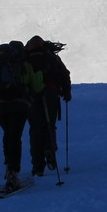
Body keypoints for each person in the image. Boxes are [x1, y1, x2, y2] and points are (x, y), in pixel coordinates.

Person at [0, 41, 44, 190]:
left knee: (8, 134)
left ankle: (9, 168)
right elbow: (37, 86)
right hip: (19, 105)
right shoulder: (23, 64)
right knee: (15, 136)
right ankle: (13, 173)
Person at [24, 35, 72, 176]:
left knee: (35, 129)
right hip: (51, 93)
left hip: (32, 96)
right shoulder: (51, 56)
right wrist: (66, 92)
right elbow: (64, 74)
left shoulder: (25, 57)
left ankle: (37, 166)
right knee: (49, 125)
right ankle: (49, 149)